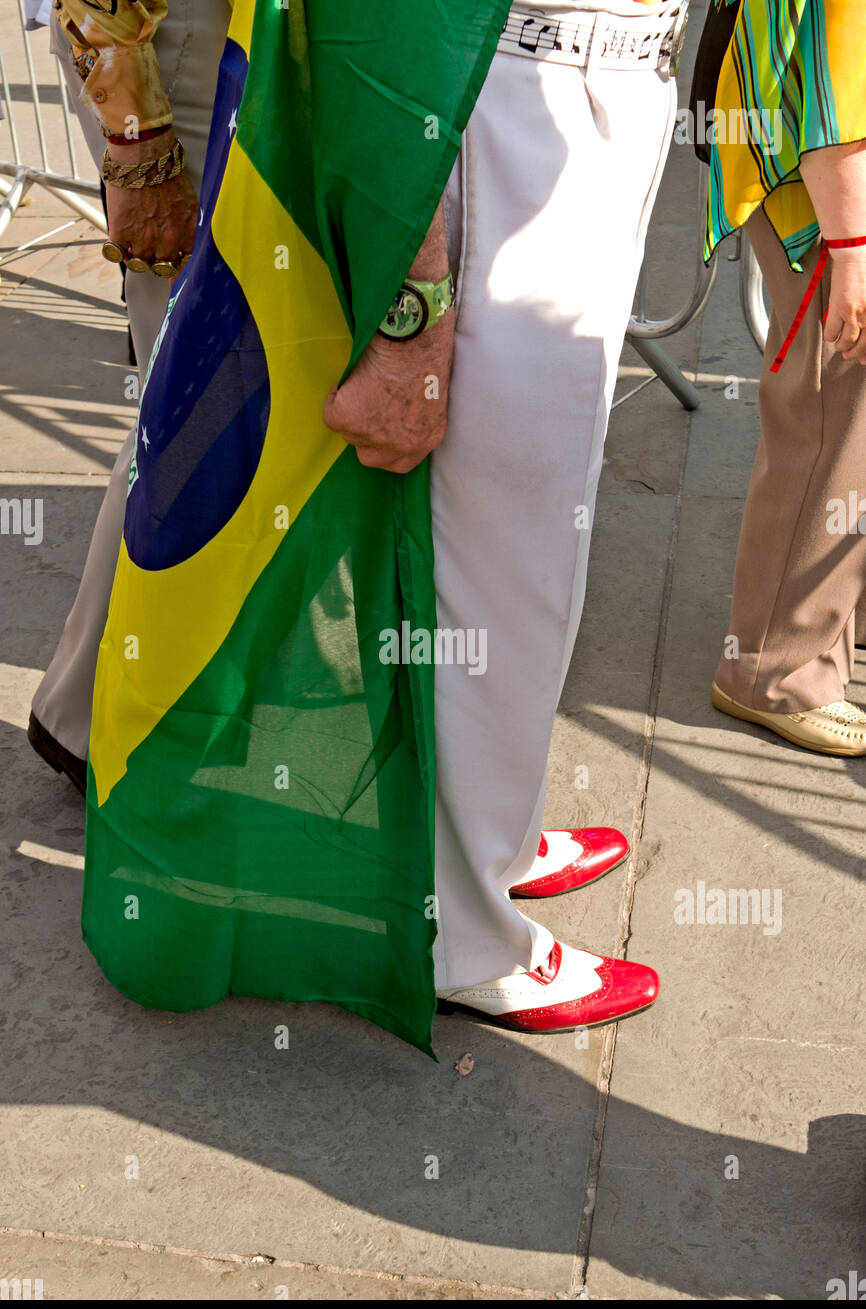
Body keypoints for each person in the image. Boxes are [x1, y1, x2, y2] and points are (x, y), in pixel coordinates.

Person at [80, 0, 687, 1053]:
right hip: (486, 99)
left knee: (531, 538)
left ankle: (476, 839)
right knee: (502, 554)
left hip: (585, 91)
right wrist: (413, 309)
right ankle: (460, 926)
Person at [27, 0, 231, 792]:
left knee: (194, 396)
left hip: (204, 50)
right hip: (161, 52)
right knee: (188, 400)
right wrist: (136, 138)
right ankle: (91, 720)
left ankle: (98, 713)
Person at [704, 0, 866, 756]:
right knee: (831, 421)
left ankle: (825, 627)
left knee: (838, 420)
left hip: (813, 184)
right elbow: (839, 87)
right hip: (825, 199)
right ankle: (774, 669)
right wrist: (854, 248)